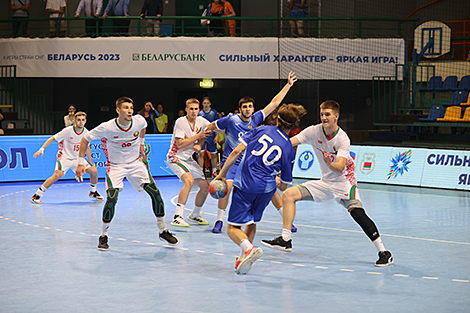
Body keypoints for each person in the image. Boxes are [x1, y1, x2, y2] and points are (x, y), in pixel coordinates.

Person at [261, 100, 394, 267]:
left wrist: (329, 163)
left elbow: (339, 167)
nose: (324, 117)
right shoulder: (313, 131)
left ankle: (384, 252)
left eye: (327, 115)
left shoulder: (342, 138)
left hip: (345, 182)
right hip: (325, 182)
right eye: (322, 114)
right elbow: (288, 143)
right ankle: (286, 239)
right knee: (288, 195)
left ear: (336, 116)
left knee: (358, 214)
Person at [214, 103, 307, 274]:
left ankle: (248, 249)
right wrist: (277, 178)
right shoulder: (289, 148)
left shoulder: (262, 129)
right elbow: (284, 184)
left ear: (277, 118)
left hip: (246, 184)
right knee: (252, 222)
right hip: (267, 190)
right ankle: (243, 259)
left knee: (232, 228)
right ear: (294, 125)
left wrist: (222, 174)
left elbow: (236, 152)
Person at [76, 97, 178, 250]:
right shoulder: (107, 127)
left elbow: (143, 126)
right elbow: (85, 139)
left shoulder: (139, 120)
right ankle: (103, 236)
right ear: (118, 110)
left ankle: (163, 230)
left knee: (155, 193)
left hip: (136, 163)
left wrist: (142, 145)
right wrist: (80, 163)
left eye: (131, 107)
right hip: (115, 166)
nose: (129, 110)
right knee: (112, 198)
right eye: (125, 107)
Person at [206, 71, 298, 234]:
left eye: (250, 106)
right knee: (226, 186)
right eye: (244, 107)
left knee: (271, 191)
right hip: (232, 160)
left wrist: (288, 85)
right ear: (240, 109)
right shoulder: (232, 119)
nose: (248, 109)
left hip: (249, 162)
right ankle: (219, 220)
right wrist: (207, 135)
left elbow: (274, 103)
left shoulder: (256, 120)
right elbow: (213, 125)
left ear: (253, 109)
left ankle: (286, 220)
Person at [30, 111, 104, 204]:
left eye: (83, 120)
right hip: (64, 158)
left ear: (85, 121)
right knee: (57, 175)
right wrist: (42, 149)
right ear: (74, 121)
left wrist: (91, 163)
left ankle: (93, 192)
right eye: (78, 120)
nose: (81, 122)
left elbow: (87, 148)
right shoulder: (67, 131)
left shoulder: (86, 132)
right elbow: (52, 138)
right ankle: (36, 195)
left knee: (94, 171)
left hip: (78, 159)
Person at [167, 98, 212, 228]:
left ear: (199, 110)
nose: (193, 111)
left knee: (205, 187)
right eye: (191, 109)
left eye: (196, 109)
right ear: (186, 110)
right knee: (189, 181)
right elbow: (180, 144)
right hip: (175, 157)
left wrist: (200, 143)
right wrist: (199, 137)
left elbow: (210, 129)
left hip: (188, 160)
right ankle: (177, 217)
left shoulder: (202, 121)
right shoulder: (180, 122)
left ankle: (195, 215)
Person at [198, 97, 219, 177]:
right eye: (204, 103)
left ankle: (214, 171)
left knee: (214, 154)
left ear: (210, 104)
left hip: (211, 135)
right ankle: (200, 172)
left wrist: (217, 136)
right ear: (202, 104)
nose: (206, 105)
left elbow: (217, 125)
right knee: (201, 153)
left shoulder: (214, 112)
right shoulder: (199, 113)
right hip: (202, 136)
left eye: (207, 103)